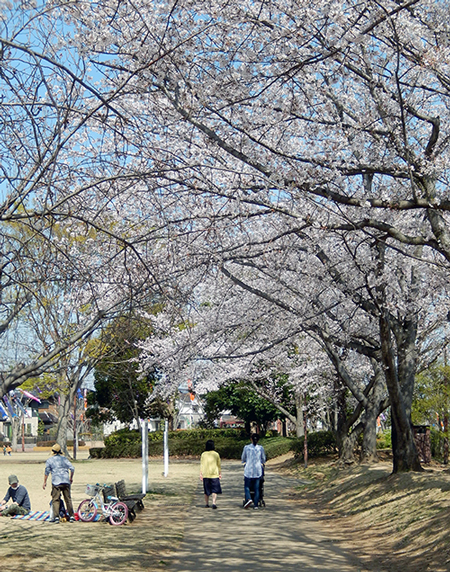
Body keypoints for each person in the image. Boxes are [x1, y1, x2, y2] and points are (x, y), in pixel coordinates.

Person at [43, 443, 76, 523]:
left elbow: (46, 472)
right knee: (68, 499)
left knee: (55, 499)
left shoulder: (50, 460)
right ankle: (71, 516)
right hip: (65, 481)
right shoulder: (64, 459)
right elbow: (72, 468)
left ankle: (56, 516)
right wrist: (70, 478)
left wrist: (44, 482)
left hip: (56, 482)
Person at [241, 433, 266, 510]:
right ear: (258, 440)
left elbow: (243, 458)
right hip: (258, 471)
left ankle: (249, 498)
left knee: (247, 487)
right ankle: (256, 505)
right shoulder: (260, 448)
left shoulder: (246, 447)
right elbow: (263, 459)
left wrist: (245, 461)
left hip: (248, 470)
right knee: (257, 488)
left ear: (251, 439)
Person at [200, 439, 222, 509]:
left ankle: (206, 503)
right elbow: (219, 464)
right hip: (214, 474)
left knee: (206, 490)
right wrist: (220, 473)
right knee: (214, 490)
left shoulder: (203, 454)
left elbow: (202, 464)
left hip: (206, 474)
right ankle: (214, 503)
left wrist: (201, 473)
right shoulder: (216, 454)